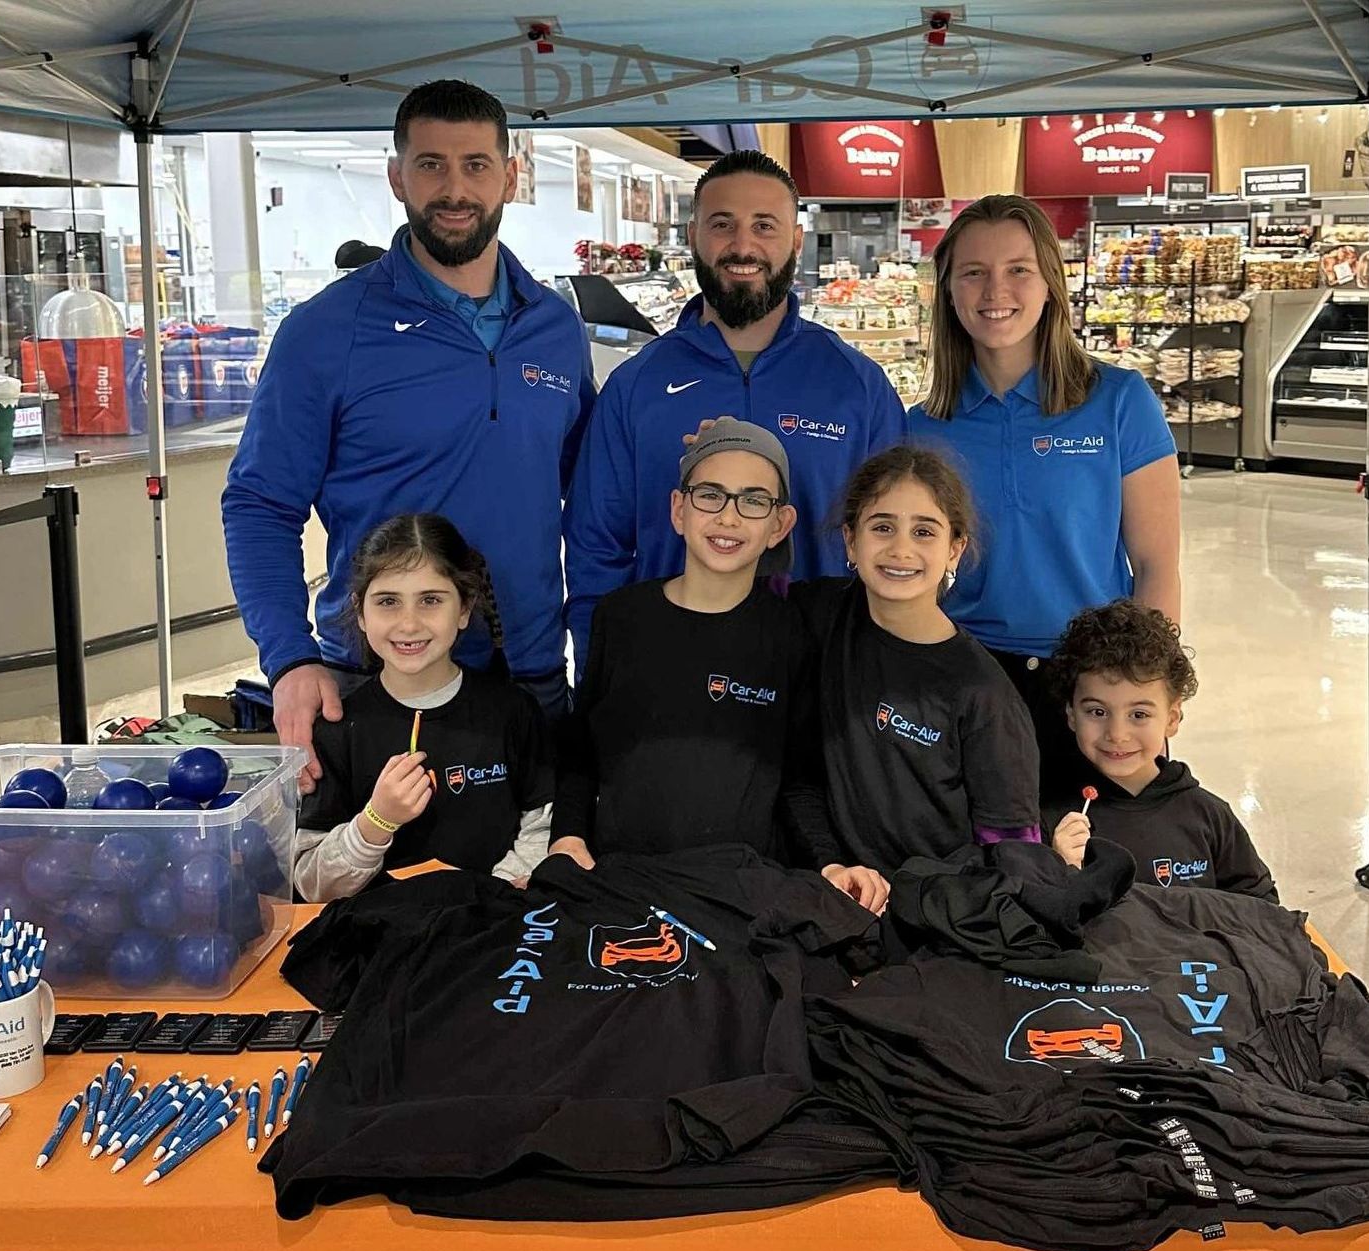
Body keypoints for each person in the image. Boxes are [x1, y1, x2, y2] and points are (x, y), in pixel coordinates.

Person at [223, 79, 594, 794]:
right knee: (380, 892)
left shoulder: (554, 327)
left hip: (532, 679)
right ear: (396, 175)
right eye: (430, 165)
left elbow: (588, 497)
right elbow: (259, 505)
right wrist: (289, 657)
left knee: (538, 891)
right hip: (381, 682)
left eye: (476, 165)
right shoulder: (326, 332)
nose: (454, 189)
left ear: (511, 177)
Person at [562, 148, 905, 670]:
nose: (743, 246)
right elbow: (596, 550)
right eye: (723, 224)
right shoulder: (636, 386)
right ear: (695, 234)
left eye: (764, 226)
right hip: (668, 677)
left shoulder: (857, 386)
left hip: (819, 679)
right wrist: (599, 676)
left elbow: (892, 541)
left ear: (795, 240)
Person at [904, 195, 1181, 794]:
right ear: (948, 292)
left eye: (1018, 269)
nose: (993, 290)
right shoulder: (922, 427)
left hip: (1094, 681)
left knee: (1101, 865)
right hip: (968, 676)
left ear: (1051, 284)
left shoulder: (1120, 402)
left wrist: (1144, 690)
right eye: (972, 272)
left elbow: (1157, 564)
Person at [547, 419, 881, 910]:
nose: (728, 517)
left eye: (753, 500)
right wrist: (569, 836)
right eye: (710, 495)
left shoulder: (791, 637)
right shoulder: (620, 617)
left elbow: (798, 780)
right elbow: (582, 752)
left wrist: (826, 862)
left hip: (740, 893)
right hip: (621, 883)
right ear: (679, 510)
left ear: (779, 525)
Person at [789, 446, 1041, 887]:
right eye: (882, 527)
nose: (900, 549)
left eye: (924, 532)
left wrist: (912, 897)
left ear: (955, 550)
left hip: (941, 911)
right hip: (837, 891)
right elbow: (801, 778)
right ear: (851, 540)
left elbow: (1013, 853)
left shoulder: (983, 692)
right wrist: (829, 865)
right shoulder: (823, 617)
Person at [294, 514, 552, 902]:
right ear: (361, 613)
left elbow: (541, 829)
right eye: (388, 602)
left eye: (430, 600)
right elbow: (311, 884)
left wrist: (489, 897)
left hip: (495, 927)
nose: (409, 624)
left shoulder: (513, 711)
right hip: (380, 940)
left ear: (464, 608)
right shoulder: (335, 729)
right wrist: (376, 821)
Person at [1043, 600, 1276, 901]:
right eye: (1097, 712)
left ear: (1172, 719)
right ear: (1071, 715)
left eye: (1138, 715)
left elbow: (1262, 908)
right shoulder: (1055, 820)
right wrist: (1058, 870)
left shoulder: (1209, 816)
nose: (1117, 734)